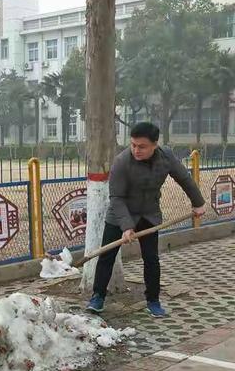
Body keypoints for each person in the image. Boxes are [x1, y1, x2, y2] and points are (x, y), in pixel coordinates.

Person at [87, 122, 206, 318]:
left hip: (149, 214)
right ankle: (97, 296)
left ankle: (153, 300)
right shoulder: (122, 161)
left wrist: (198, 202)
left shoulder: (166, 156)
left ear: (155, 145)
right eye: (133, 145)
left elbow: (184, 178)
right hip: (120, 215)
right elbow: (116, 198)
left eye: (141, 146)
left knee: (151, 259)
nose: (136, 150)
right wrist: (126, 227)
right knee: (107, 256)